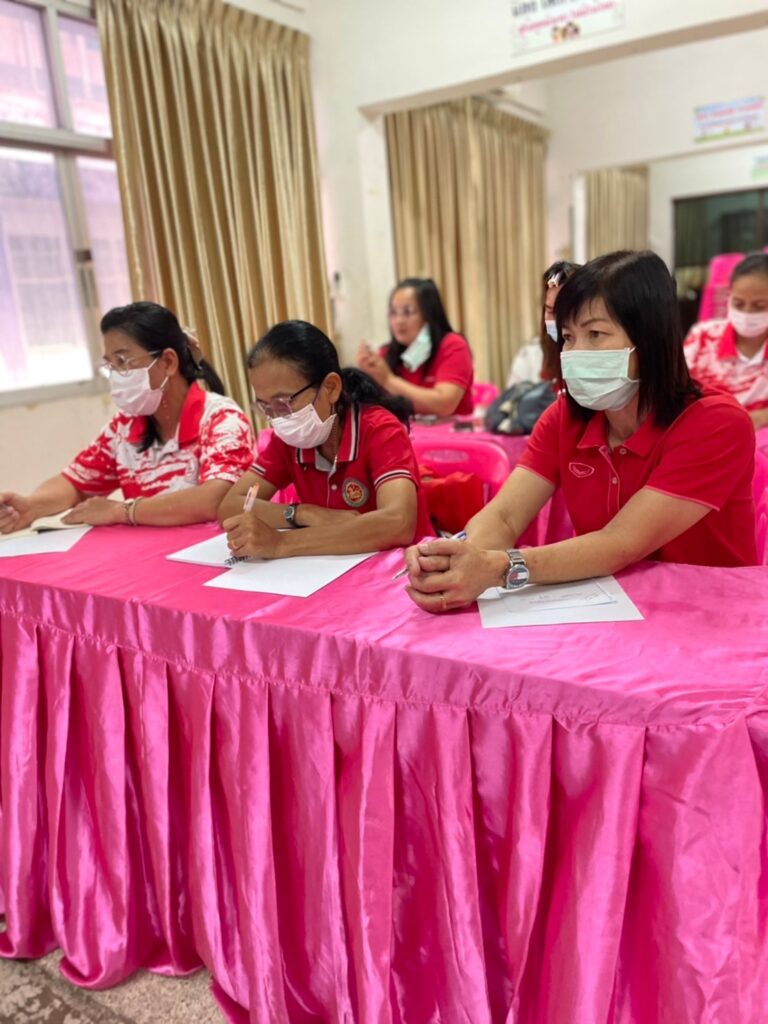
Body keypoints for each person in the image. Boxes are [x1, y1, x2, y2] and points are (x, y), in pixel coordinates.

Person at [404, 250, 757, 613]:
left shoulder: (716, 423)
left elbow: (620, 542)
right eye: (569, 337)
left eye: (595, 334)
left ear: (650, 338)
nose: (575, 353)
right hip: (605, 609)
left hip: (710, 613)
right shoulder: (565, 418)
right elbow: (505, 515)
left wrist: (497, 568)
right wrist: (459, 559)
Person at [0, 302, 255, 532]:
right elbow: (75, 483)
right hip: (146, 554)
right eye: (110, 365)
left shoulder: (222, 418)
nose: (116, 375)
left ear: (168, 362)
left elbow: (215, 498)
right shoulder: (125, 425)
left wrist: (121, 511)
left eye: (123, 361)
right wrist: (31, 506)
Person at [218, 320, 432, 558]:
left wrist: (282, 543)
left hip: (405, 567)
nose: (277, 419)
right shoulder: (290, 440)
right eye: (265, 407)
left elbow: (398, 523)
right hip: (332, 567)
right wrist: (302, 513)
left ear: (330, 388)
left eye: (283, 403)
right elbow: (231, 506)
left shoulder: (379, 430)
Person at [356, 277, 474, 417]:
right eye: (393, 313)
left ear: (429, 315)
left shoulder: (453, 345)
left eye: (408, 312)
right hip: (405, 429)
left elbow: (444, 405)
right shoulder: (386, 353)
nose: (399, 321)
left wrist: (388, 380)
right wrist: (364, 376)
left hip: (454, 430)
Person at [684, 252, 768, 430]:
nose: (747, 313)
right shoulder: (702, 338)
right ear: (729, 298)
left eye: (759, 306)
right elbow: (673, 393)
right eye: (738, 304)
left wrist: (761, 416)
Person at [506, 260, 580, 386]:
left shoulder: (592, 356)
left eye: (563, 312)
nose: (556, 320)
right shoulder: (530, 356)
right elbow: (515, 395)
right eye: (550, 311)